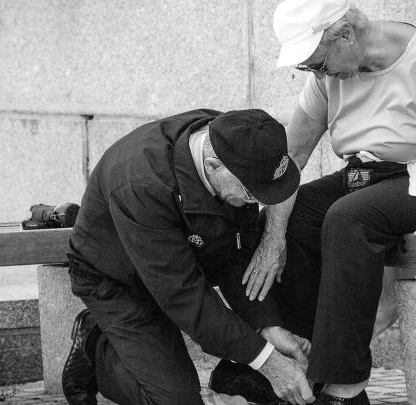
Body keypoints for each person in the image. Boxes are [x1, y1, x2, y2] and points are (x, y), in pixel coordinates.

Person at [240, 1, 416, 404]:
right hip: (373, 175)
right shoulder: (329, 72)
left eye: (317, 63)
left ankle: (346, 389)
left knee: (350, 218)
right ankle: (300, 362)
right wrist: (273, 235)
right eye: (309, 67)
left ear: (345, 35)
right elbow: (292, 158)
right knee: (293, 215)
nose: (317, 73)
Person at [62, 108, 316, 405]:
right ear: (213, 166)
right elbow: (185, 297)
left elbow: (235, 251)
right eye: (252, 194)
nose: (257, 203)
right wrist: (268, 361)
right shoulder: (140, 183)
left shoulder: (238, 140)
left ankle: (232, 375)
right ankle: (94, 344)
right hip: (117, 282)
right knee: (177, 401)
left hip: (182, 264)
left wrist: (266, 325)